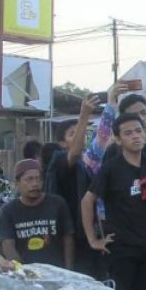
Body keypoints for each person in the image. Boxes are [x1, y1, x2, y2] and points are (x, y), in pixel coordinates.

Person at [81, 113, 146, 290]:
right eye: (128, 133)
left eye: (139, 131)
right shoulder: (111, 168)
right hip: (120, 249)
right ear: (118, 139)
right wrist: (93, 240)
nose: (135, 136)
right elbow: (87, 202)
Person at [46, 94, 101, 278]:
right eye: (73, 134)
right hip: (72, 235)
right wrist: (84, 115)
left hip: (90, 232)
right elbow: (75, 151)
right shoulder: (61, 161)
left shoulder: (88, 162)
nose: (80, 136)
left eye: (82, 132)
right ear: (62, 143)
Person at [0, 159, 74, 269]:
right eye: (29, 179)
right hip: (26, 274)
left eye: (38, 179)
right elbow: (8, 246)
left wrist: (68, 271)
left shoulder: (58, 204)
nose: (35, 184)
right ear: (17, 183)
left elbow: (68, 239)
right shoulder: (7, 211)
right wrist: (24, 272)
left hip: (57, 271)